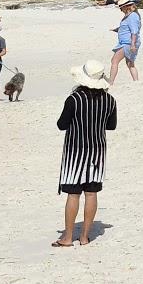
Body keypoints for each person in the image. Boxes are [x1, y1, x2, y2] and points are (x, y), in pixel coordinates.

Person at [53, 60, 118, 246]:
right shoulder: (109, 100)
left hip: (75, 152)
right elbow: (111, 126)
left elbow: (61, 125)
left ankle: (67, 237)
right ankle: (84, 237)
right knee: (91, 194)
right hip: (97, 152)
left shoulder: (74, 99)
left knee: (73, 195)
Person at [109, 0, 142, 85]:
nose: (120, 10)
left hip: (127, 43)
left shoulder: (132, 16)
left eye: (121, 8)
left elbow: (134, 31)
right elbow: (126, 28)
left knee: (114, 61)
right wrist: (116, 30)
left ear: (126, 7)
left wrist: (132, 44)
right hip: (127, 42)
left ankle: (110, 82)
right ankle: (136, 82)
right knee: (130, 63)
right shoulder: (130, 15)